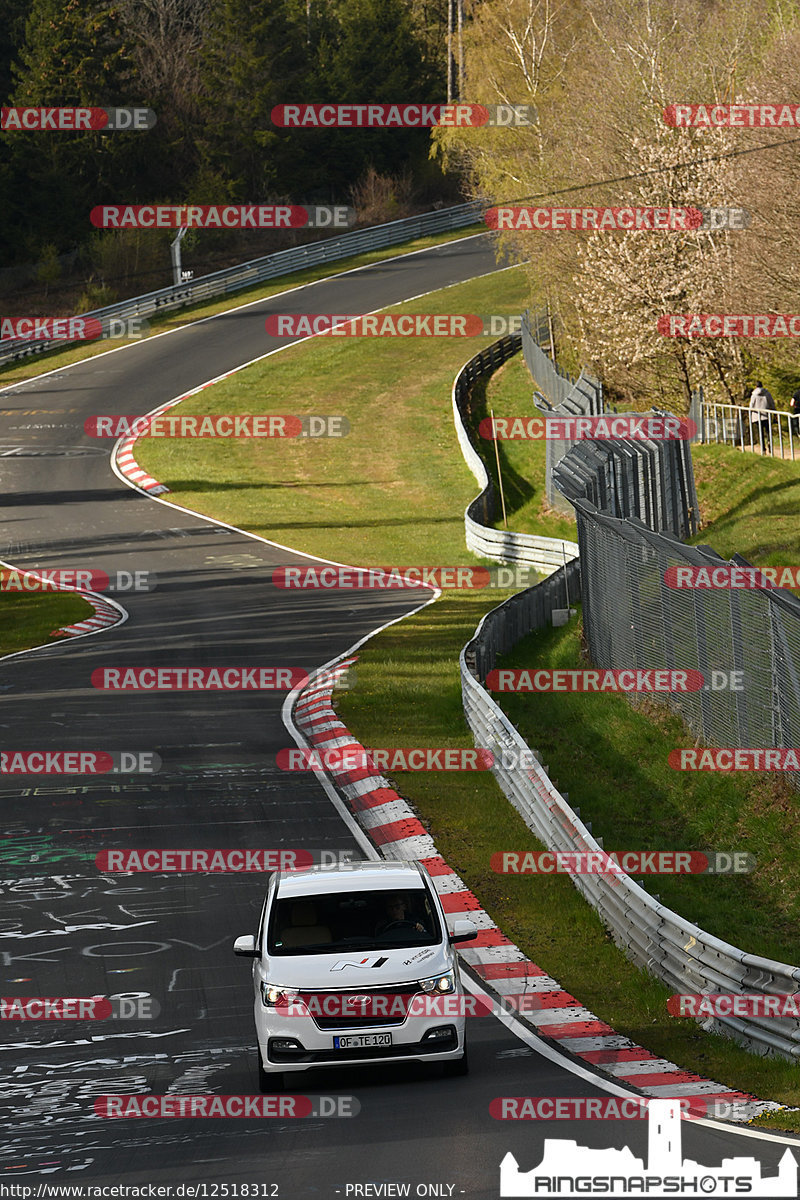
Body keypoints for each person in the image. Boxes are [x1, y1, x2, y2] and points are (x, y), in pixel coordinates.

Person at [748, 381, 775, 453]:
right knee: (768, 431)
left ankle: (763, 448)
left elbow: (751, 405)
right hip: (766, 415)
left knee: (761, 433)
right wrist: (774, 412)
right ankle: (769, 443)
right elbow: (771, 403)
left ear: (756, 386)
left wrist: (750, 414)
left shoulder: (753, 395)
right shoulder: (767, 394)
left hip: (757, 416)